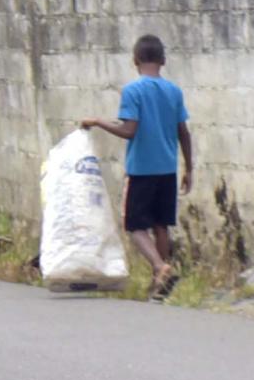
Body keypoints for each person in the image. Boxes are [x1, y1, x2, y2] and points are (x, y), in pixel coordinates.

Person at [81, 34, 194, 299]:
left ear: (135, 61)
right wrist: (190, 168)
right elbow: (183, 132)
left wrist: (97, 121)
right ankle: (159, 284)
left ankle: (160, 267)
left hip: (142, 169)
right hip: (168, 169)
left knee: (134, 226)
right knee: (161, 225)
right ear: (163, 60)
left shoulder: (133, 91)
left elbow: (129, 130)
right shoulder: (174, 91)